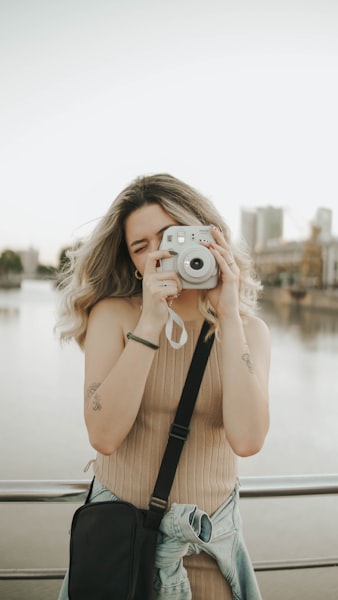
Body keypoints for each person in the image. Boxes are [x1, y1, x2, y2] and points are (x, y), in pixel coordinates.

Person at [57, 173, 270, 599]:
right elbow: (104, 435)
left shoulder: (248, 330)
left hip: (207, 548)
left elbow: (247, 440)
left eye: (172, 236)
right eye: (141, 247)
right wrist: (152, 320)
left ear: (207, 236)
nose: (159, 254)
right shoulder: (113, 316)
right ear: (132, 262)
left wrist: (228, 314)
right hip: (120, 548)